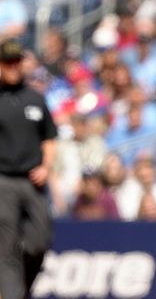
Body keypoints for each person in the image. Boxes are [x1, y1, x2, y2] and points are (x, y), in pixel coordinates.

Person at [0, 38, 58, 299]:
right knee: (6, 245)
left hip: (33, 179)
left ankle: (22, 289)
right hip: (3, 181)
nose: (13, 67)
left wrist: (46, 166)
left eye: (16, 62)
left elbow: (49, 137)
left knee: (39, 241)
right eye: (7, 62)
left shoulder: (35, 99)